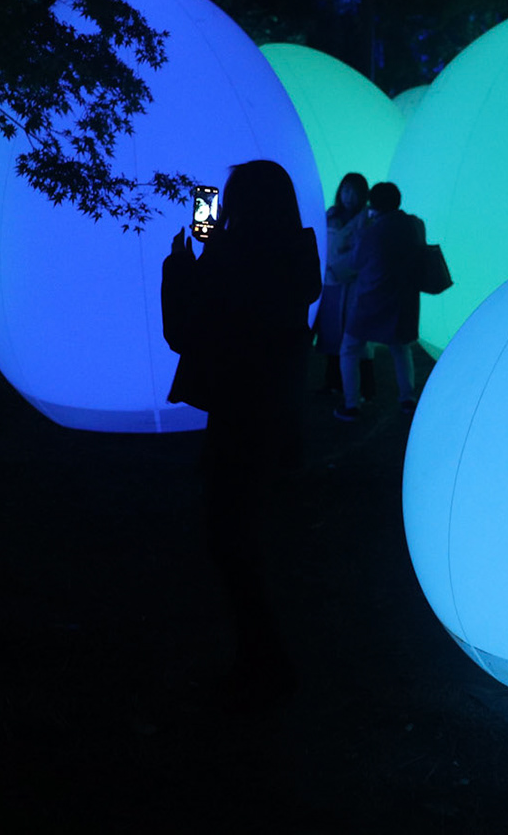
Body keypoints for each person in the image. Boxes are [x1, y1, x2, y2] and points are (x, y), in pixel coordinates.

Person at [161, 159, 321, 708]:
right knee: (244, 538)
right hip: (275, 416)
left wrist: (182, 267)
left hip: (237, 418)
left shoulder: (230, 257)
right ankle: (263, 658)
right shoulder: (297, 253)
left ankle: (266, 661)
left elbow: (185, 332)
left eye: (228, 198)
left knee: (229, 542)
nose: (219, 206)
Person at [337, 181, 425, 420]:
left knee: (349, 349)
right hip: (403, 300)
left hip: (371, 300)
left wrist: (356, 233)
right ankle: (407, 399)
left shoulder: (372, 232)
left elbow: (354, 263)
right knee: (400, 349)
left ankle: (351, 404)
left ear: (372, 204)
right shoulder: (415, 225)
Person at [315, 173, 369, 399]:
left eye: (354, 191)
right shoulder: (331, 215)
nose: (349, 196)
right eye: (346, 190)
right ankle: (333, 381)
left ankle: (362, 387)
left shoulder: (366, 219)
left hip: (353, 287)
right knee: (331, 335)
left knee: (355, 340)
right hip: (332, 285)